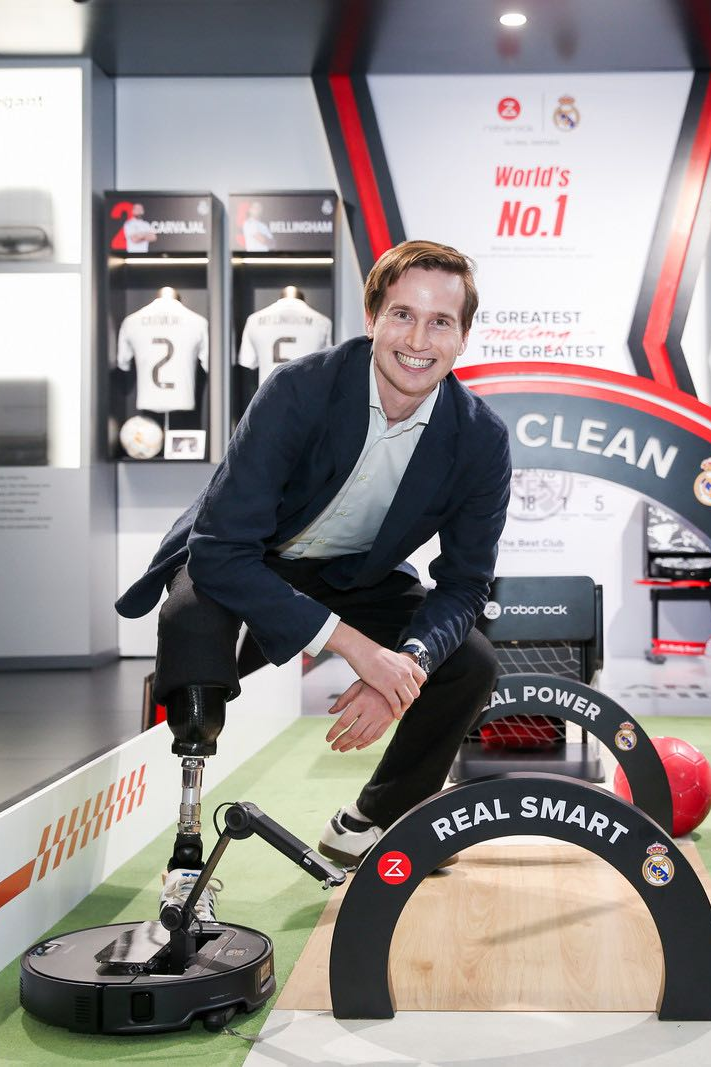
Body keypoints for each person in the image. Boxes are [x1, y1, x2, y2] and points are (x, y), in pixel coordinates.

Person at [116, 240, 512, 913]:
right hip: (245, 556)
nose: (419, 340)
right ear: (372, 317)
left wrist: (404, 668)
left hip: (354, 573)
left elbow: (465, 584)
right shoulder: (299, 389)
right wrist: (357, 650)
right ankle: (186, 857)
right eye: (403, 315)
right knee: (191, 629)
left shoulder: (480, 438)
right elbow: (220, 550)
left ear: (464, 337)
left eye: (440, 322)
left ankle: (372, 821)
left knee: (469, 662)